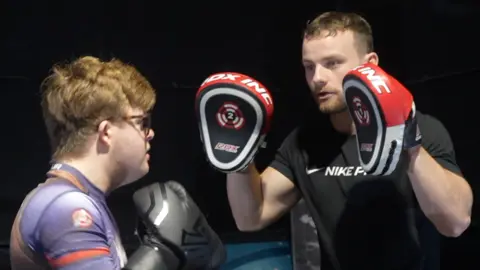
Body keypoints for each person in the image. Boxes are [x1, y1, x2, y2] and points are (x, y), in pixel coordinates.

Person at [199, 12, 473, 270]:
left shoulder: (425, 128)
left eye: (332, 64)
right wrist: (239, 157)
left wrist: (409, 144)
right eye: (309, 67)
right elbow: (251, 218)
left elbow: (456, 222)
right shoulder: (305, 141)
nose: (317, 78)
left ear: (370, 65)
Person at [10, 56, 226, 270]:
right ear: (106, 132)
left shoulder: (76, 199)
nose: (150, 133)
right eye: (141, 122)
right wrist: (161, 254)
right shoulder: (67, 207)